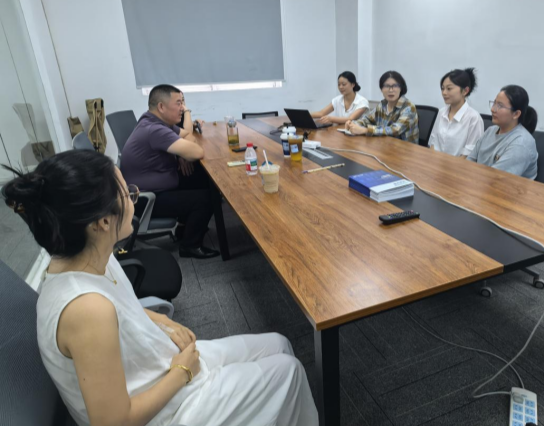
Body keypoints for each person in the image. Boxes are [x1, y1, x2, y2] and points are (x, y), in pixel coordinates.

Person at [2, 150, 319, 426]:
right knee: (289, 371)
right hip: (168, 409)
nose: (134, 198)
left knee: (279, 344)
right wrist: (182, 372)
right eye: (128, 194)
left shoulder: (89, 255)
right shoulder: (85, 310)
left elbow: (121, 308)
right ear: (102, 222)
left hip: (160, 368)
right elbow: (113, 422)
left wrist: (158, 319)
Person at [120, 84, 218, 259]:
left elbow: (187, 134)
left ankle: (184, 229)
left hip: (153, 188)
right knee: (206, 198)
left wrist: (181, 155)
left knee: (202, 177)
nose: (183, 108)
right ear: (161, 107)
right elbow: (197, 152)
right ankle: (190, 245)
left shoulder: (155, 122)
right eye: (178, 103)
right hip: (145, 200)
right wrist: (184, 152)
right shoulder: (154, 130)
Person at [467, 85, 538, 179]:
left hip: (503, 186)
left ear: (516, 114)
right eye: (494, 103)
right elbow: (469, 161)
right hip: (479, 182)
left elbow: (496, 178)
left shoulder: (521, 143)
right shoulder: (490, 130)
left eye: (500, 106)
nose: (493, 109)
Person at [346, 70, 419, 144]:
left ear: (401, 88)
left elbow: (395, 129)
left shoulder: (409, 107)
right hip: (385, 145)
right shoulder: (382, 105)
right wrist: (353, 124)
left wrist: (366, 130)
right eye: (386, 86)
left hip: (404, 148)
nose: (391, 90)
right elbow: (367, 119)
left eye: (395, 86)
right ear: (381, 89)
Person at [429, 68, 484, 157]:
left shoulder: (474, 118)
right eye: (442, 88)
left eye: (449, 89)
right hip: (435, 161)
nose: (444, 93)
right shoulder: (441, 112)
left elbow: (469, 155)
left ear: (465, 91)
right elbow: (433, 142)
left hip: (458, 165)